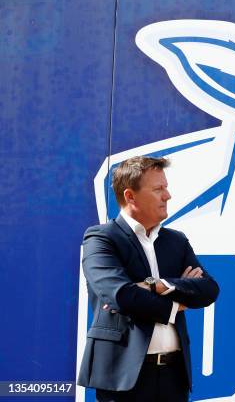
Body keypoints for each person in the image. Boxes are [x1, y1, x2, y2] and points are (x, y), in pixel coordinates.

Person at [77, 156, 219, 401]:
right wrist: (176, 304)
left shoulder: (176, 240)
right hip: (123, 379)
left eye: (165, 187)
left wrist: (160, 285)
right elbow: (122, 295)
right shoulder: (101, 238)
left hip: (174, 377)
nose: (168, 196)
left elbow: (208, 289)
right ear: (130, 196)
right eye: (158, 189)